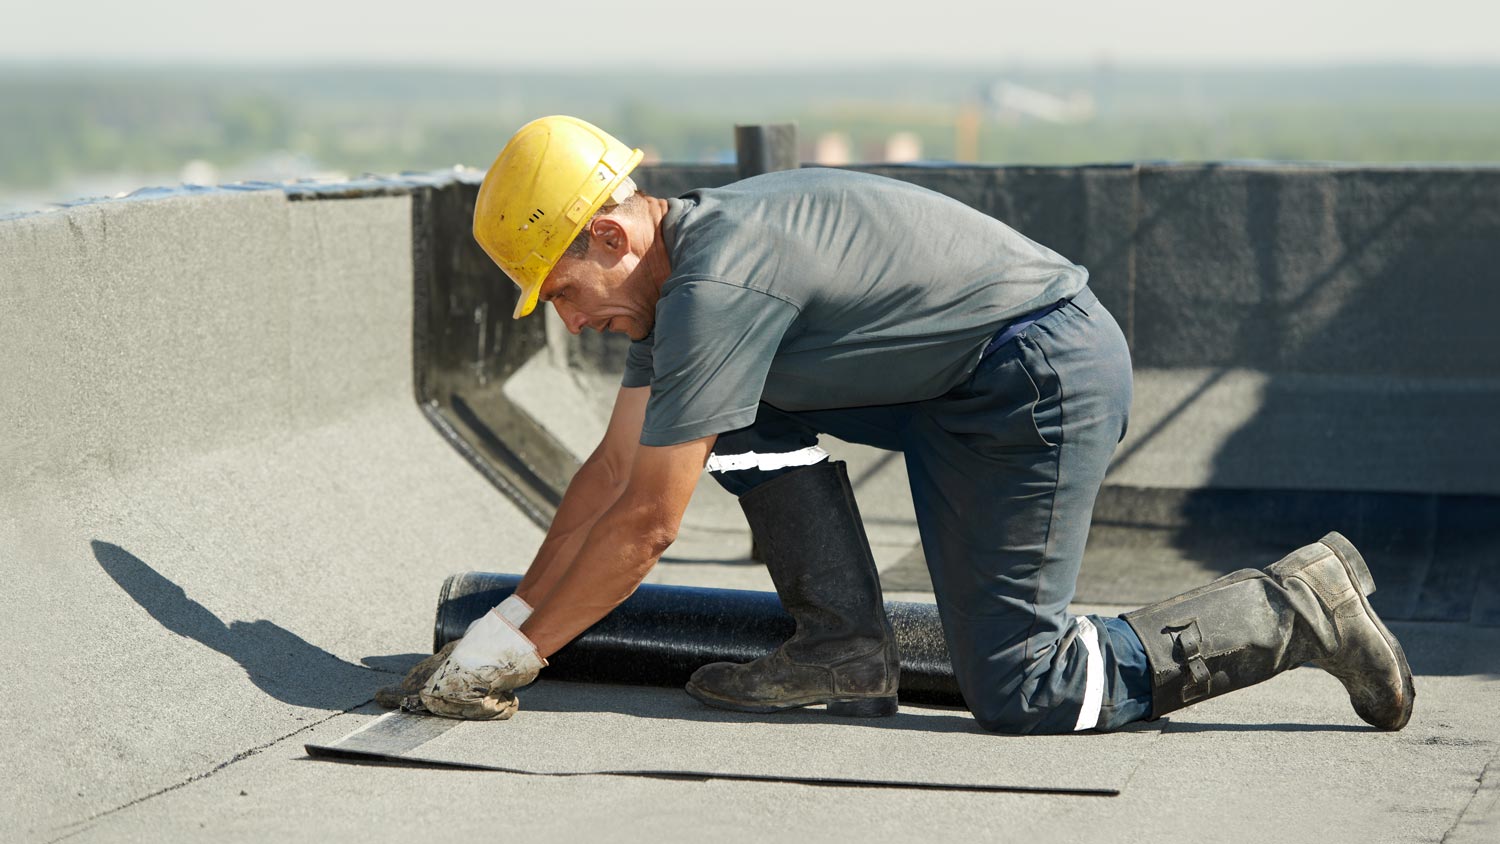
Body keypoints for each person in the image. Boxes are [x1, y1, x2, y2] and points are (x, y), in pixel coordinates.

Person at [413, 115, 1414, 735]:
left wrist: (516, 656)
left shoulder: (716, 281)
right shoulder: (681, 289)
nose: (572, 318)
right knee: (728, 411)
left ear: (609, 233)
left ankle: (1289, 610)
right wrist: (503, 624)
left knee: (1027, 687)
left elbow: (645, 527)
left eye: (564, 290)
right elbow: (610, 476)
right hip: (960, 386)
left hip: (1033, 384)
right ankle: (843, 645)